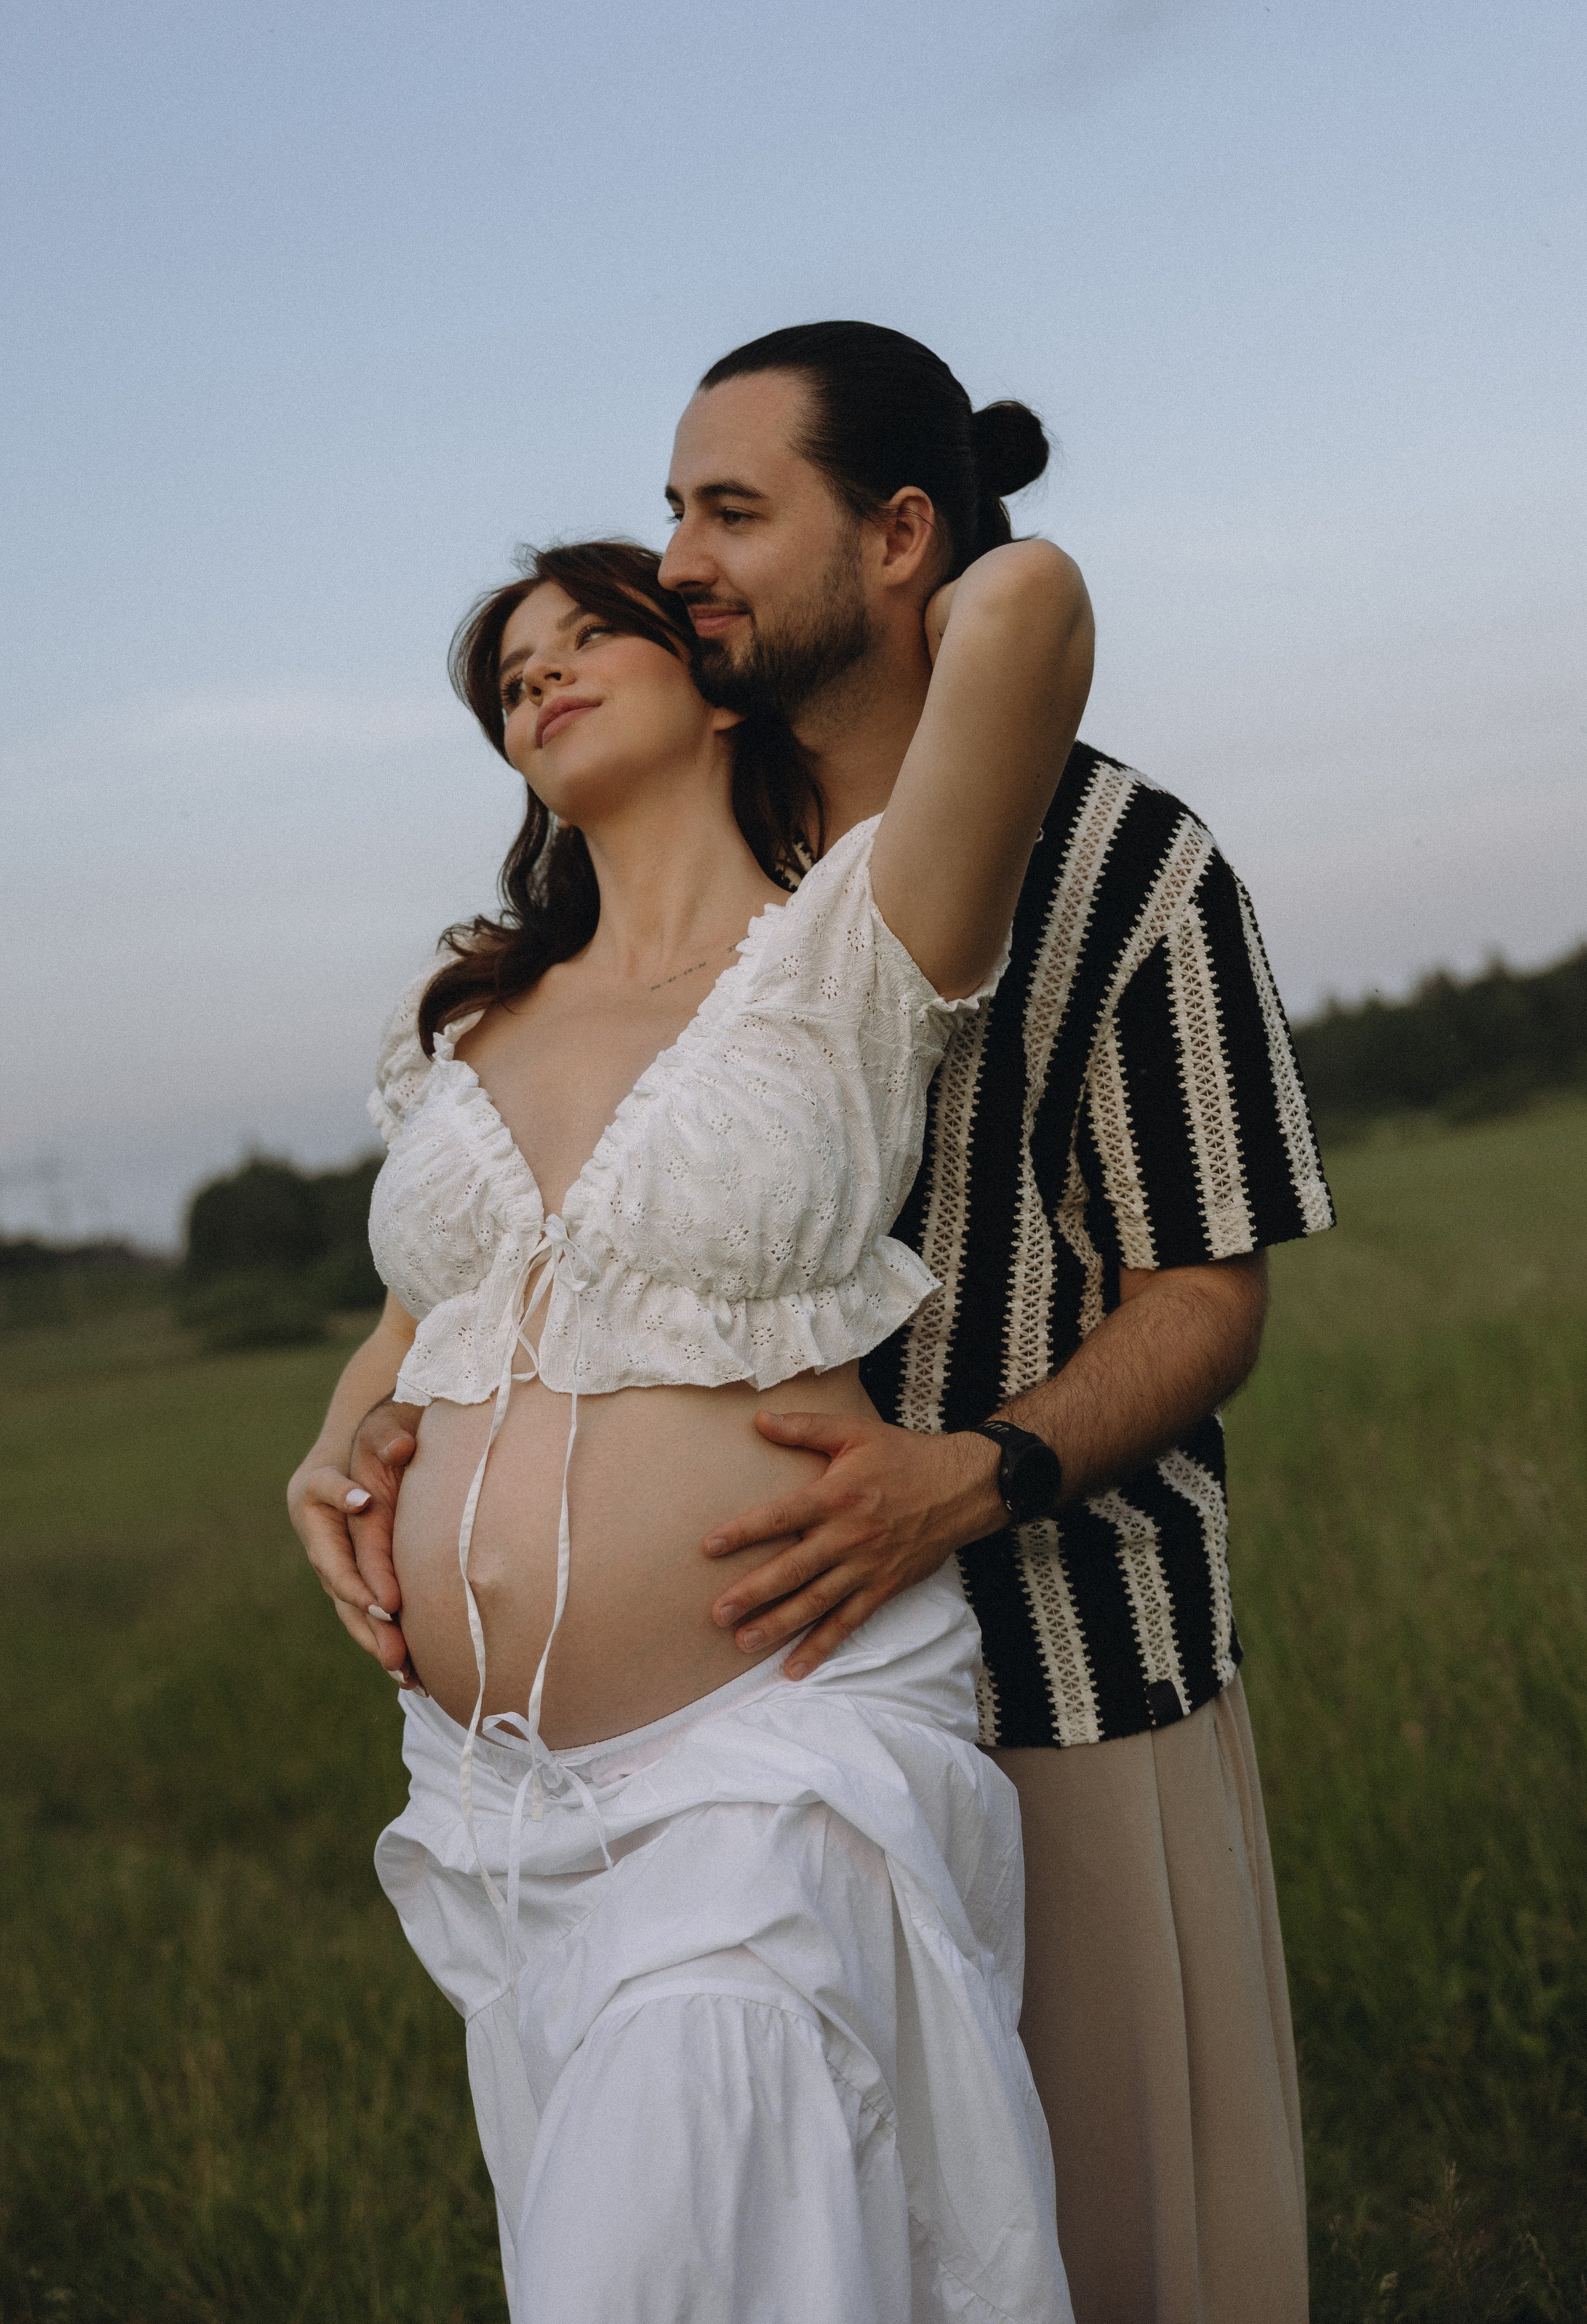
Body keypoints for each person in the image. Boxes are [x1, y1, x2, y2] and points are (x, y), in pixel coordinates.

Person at [291, 322, 1334, 2324]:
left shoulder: (1105, 868)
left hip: (1050, 1645)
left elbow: (1208, 1294)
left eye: (728, 511)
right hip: (653, 1735)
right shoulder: (649, 904)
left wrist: (976, 1471)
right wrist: (349, 1431)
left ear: (900, 540)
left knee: (1124, 2257)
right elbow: (507, 1261)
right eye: (667, 511)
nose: (676, 555)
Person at [300, 515, 1094, 2321]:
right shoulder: (476, 1015)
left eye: (592, 637)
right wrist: (328, 1447)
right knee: (679, 2247)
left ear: (710, 684)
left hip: (770, 1740)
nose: (543, 680)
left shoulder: (857, 943)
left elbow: (1030, 606)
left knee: (648, 2239)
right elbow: (433, 1306)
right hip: (502, 1798)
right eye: (512, 679)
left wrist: (788, 599)